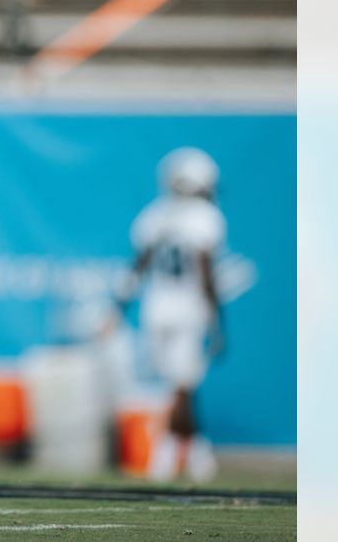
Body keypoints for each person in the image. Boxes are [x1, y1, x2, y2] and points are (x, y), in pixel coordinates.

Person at [115, 147, 227, 482]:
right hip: (187, 309)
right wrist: (217, 319)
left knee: (180, 386)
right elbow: (206, 270)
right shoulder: (206, 218)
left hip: (155, 309)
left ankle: (195, 454)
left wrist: (119, 306)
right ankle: (168, 453)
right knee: (181, 386)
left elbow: (139, 264)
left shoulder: (155, 214)